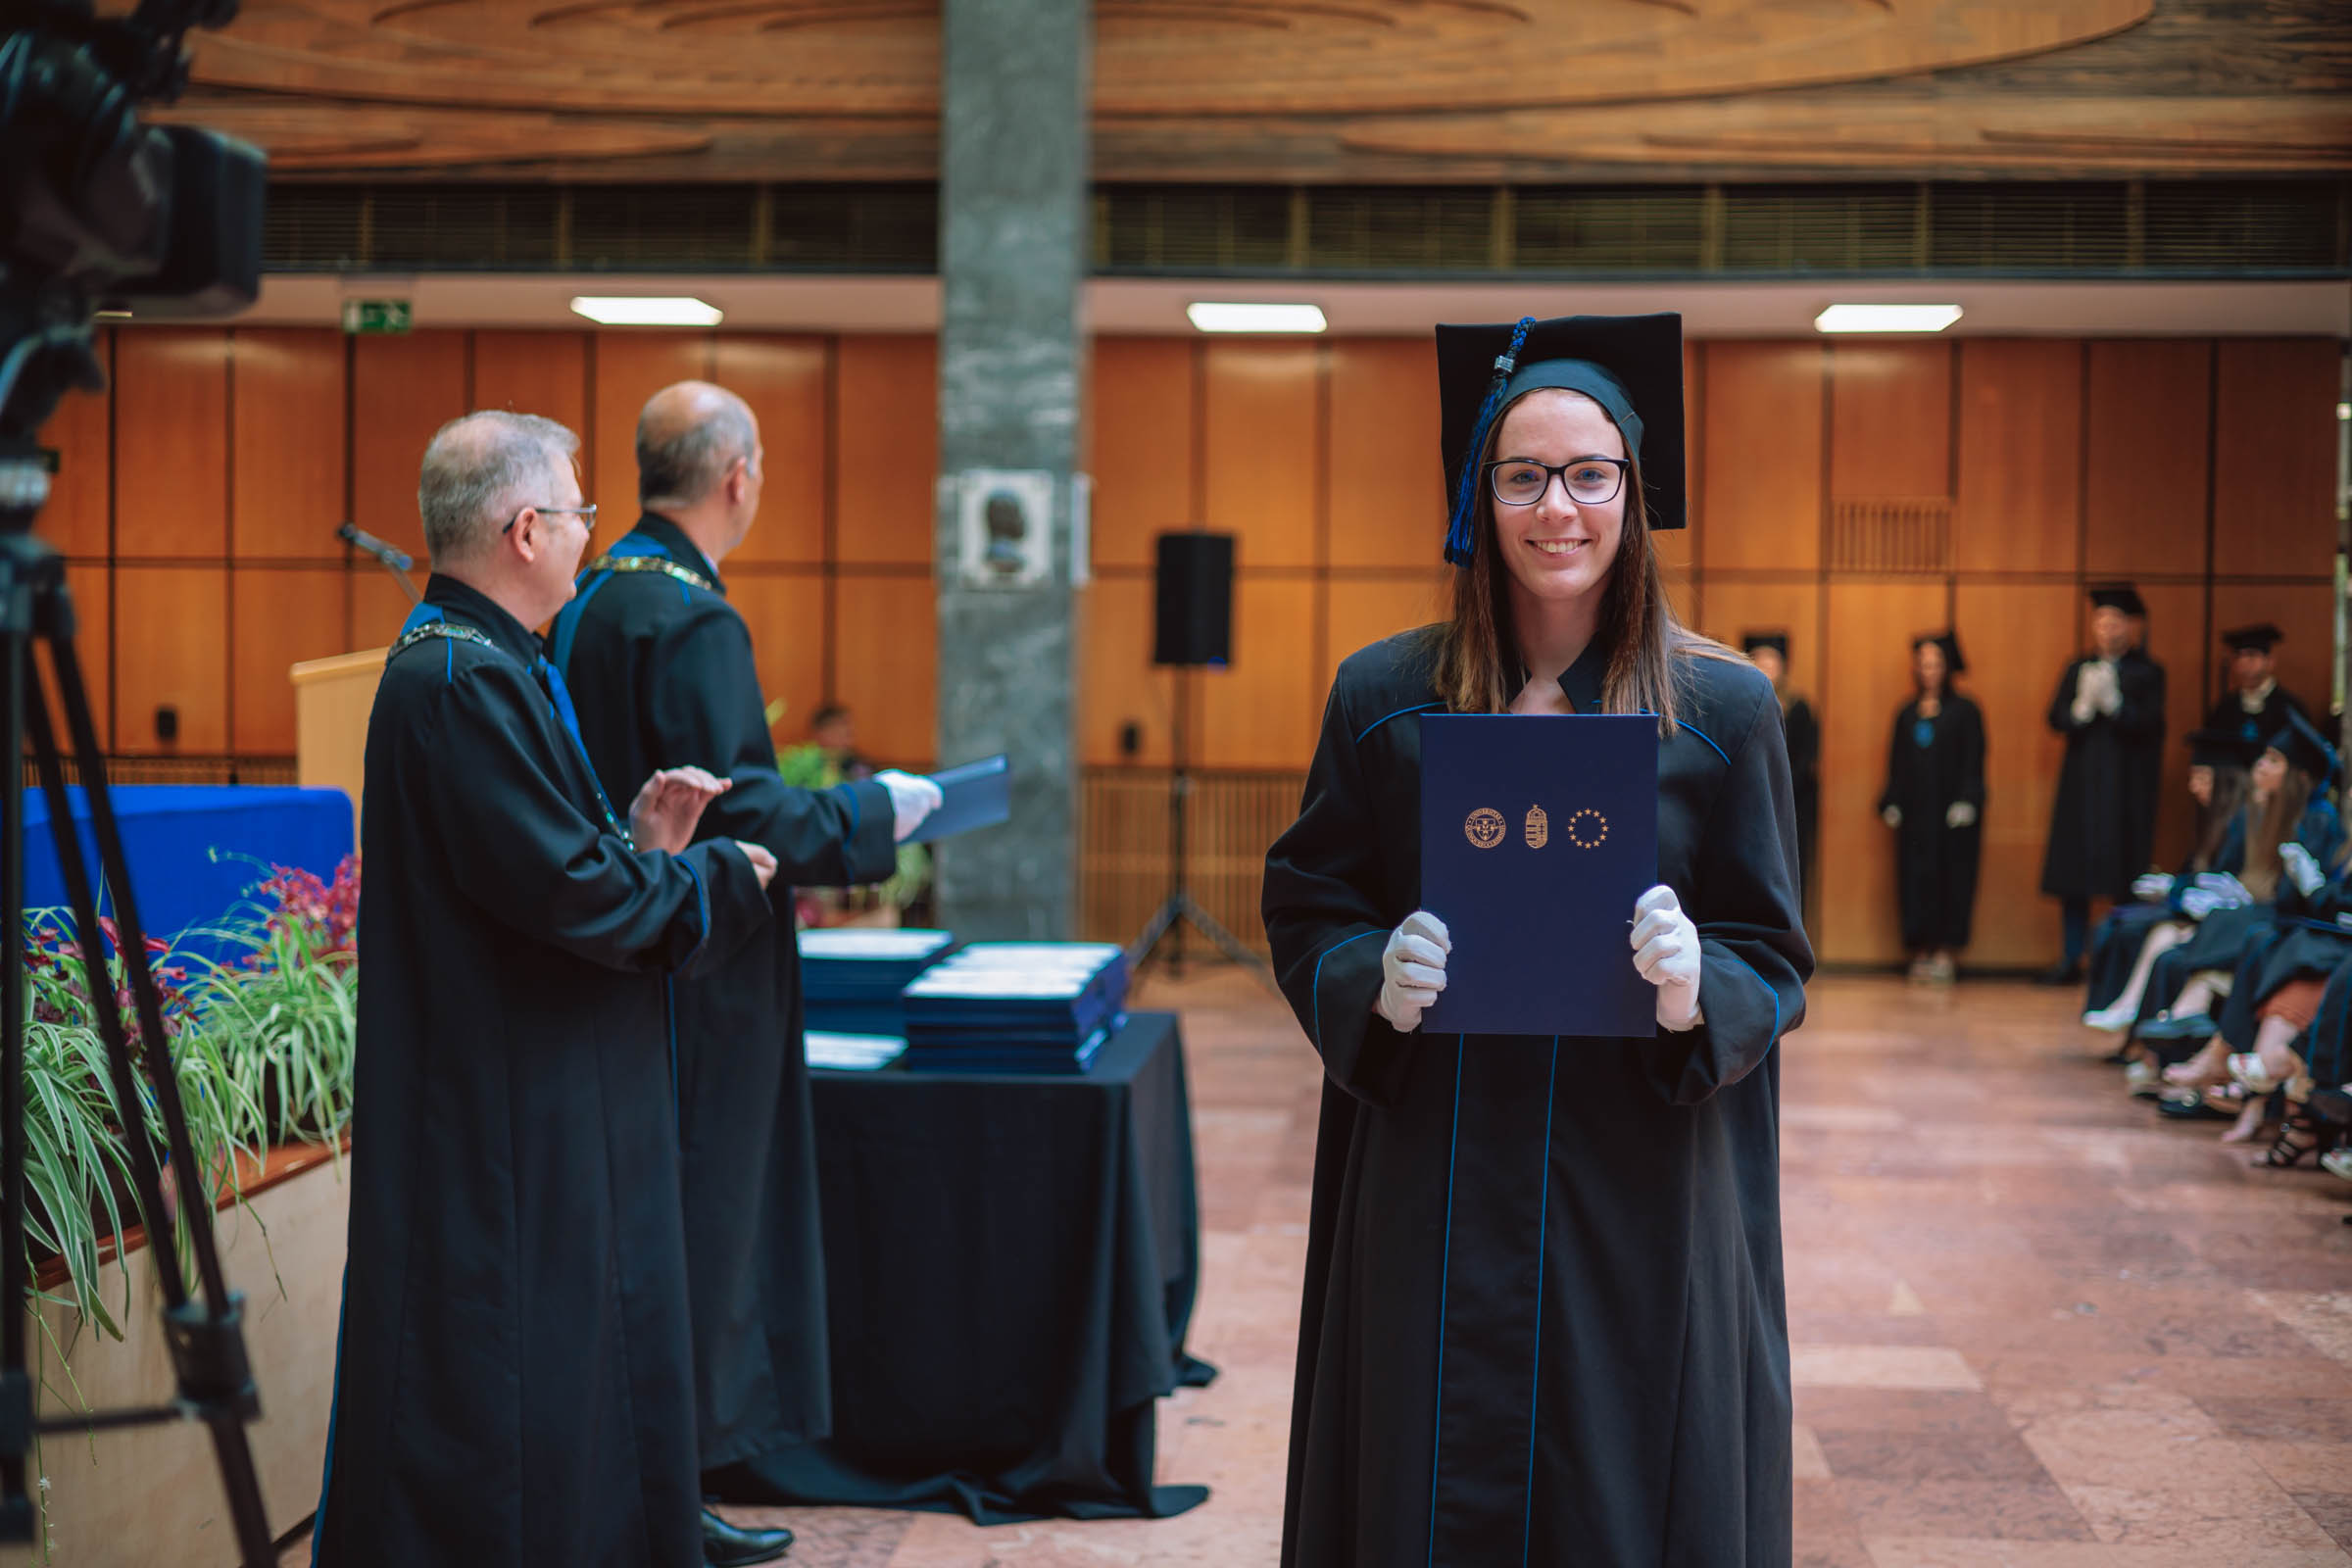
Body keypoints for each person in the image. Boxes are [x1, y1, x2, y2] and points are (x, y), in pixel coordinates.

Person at [1261, 313, 1809, 1567]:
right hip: (1438, 1167)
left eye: (1588, 475)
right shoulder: (1383, 698)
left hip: (1640, 1181)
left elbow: (1771, 952)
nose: (1557, 508)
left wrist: (1698, 984)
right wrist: (1372, 976)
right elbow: (1309, 903)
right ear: (1480, 497)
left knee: (1618, 1469)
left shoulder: (1723, 710)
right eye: (1522, 476)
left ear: (1632, 493)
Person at [311, 411, 782, 1568]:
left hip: (534, 1079)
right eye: (577, 513)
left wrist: (644, 843)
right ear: (526, 530)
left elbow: (550, 869)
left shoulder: (493, 662)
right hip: (497, 1106)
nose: (588, 534)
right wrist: (717, 878)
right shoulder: (459, 680)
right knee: (506, 1380)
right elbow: (569, 895)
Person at [548, 381, 942, 1566]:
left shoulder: (586, 595)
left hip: (605, 947)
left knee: (632, 1223)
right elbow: (747, 807)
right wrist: (876, 813)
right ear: (738, 477)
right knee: (702, 1224)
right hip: (703, 963)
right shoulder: (693, 617)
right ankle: (676, 1494)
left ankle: (624, 1478)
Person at [2037, 583, 2167, 984]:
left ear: (2130, 626)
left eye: (2116, 620)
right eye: (2101, 620)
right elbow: (2055, 718)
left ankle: (2119, 961)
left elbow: (2152, 725)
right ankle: (2071, 956)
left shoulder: (2148, 672)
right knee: (2072, 875)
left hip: (2124, 790)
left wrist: (2116, 707)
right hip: (2081, 788)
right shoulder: (2078, 668)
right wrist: (2080, 710)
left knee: (2123, 874)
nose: (2108, 628)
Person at [1878, 632, 1984, 984]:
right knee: (1914, 881)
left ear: (1948, 667)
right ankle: (1920, 949)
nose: (1929, 671)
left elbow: (1974, 761)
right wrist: (1892, 800)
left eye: (1936, 664)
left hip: (1951, 818)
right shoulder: (1906, 713)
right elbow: (1895, 763)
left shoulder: (1966, 711)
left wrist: (1968, 799)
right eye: (1923, 664)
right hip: (1916, 817)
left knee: (1951, 881)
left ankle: (1945, 952)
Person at [1744, 631, 1818, 907]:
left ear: (1783, 666)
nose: (1766, 668)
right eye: (1759, 661)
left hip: (1793, 800)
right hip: (1752, 799)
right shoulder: (1742, 706)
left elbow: (1806, 758)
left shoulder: (1799, 708)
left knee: (1791, 866)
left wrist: (1779, 785)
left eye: (1771, 662)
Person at [2203, 622, 2309, 747]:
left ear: (2270, 661)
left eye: (2251, 656)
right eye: (2238, 657)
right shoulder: (2225, 708)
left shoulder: (2290, 708)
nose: (2243, 664)